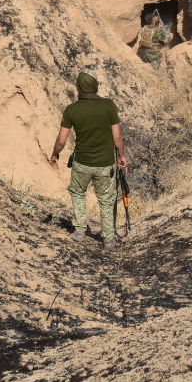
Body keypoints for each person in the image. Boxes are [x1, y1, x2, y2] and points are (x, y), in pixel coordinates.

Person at [49, 70, 128, 250]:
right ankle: (108, 239)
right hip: (105, 165)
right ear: (95, 86)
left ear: (79, 88)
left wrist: (55, 154)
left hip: (82, 164)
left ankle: (79, 231)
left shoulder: (72, 110)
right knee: (107, 200)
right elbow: (117, 139)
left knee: (78, 193)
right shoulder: (109, 106)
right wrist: (122, 156)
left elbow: (61, 140)